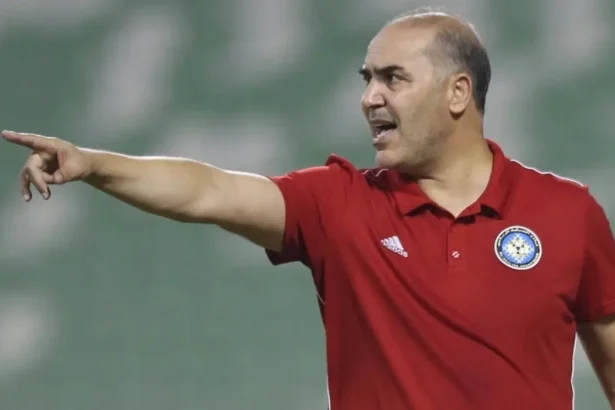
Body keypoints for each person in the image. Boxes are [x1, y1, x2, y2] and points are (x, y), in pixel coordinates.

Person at [3, 9, 615, 410]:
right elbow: (208, 190)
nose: (369, 97)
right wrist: (94, 164)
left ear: (458, 92)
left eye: (393, 78)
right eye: (366, 78)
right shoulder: (340, 202)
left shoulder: (568, 212)